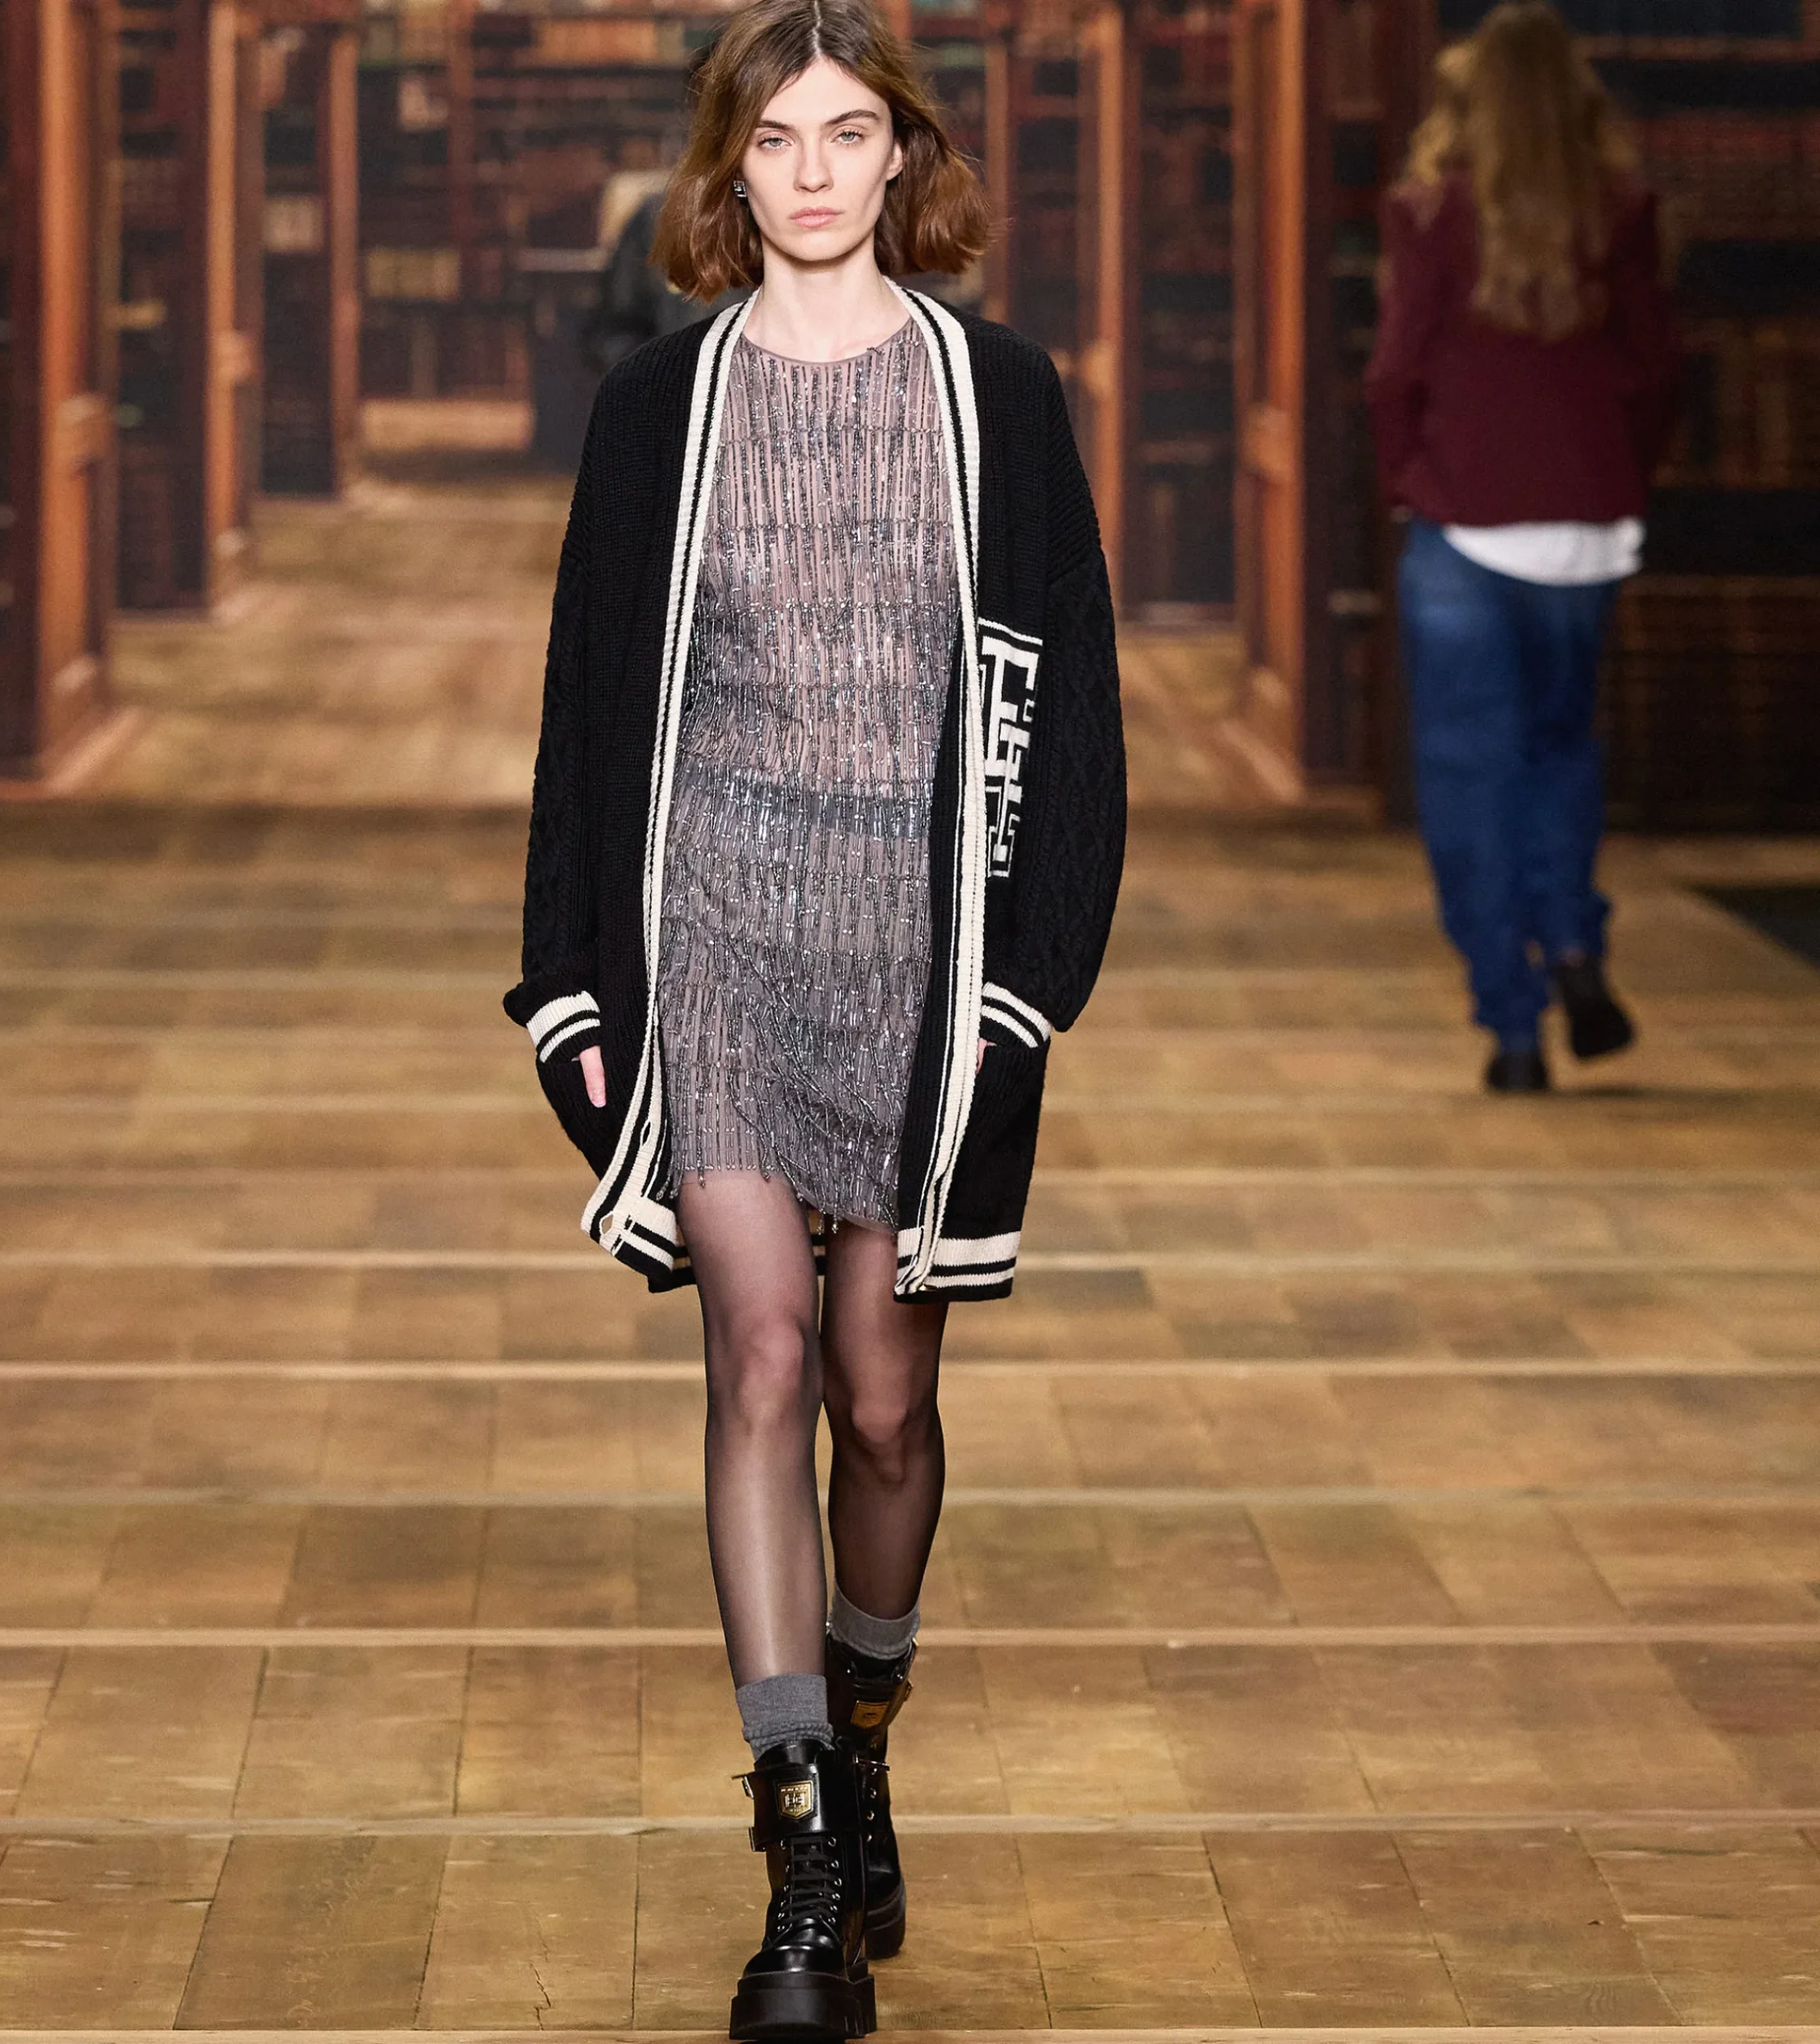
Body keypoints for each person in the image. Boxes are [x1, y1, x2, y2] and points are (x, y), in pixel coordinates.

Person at [503, 0, 1126, 2031]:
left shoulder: (994, 394)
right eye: (774, 138)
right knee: (757, 1352)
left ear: (900, 158)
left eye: (847, 133)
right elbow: (590, 697)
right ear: (729, 169)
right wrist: (569, 976)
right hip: (716, 934)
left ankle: (860, 1739)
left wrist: (1026, 988)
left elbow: (1069, 702)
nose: (811, 172)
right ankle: (793, 1866)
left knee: (881, 1400)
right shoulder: (656, 407)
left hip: (923, 951)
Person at [1365, 0, 1680, 1094]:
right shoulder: (1624, 211)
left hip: (1465, 522)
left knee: (1470, 776)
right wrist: (1620, 477)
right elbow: (1657, 371)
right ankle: (1577, 943)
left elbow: (1395, 372)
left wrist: (1406, 481)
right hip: (1587, 527)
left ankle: (1512, 1024)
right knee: (1560, 749)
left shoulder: (1430, 213)